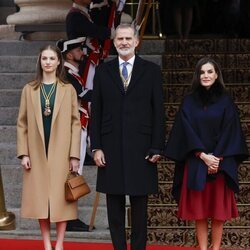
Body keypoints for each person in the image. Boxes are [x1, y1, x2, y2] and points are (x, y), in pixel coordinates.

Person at [90, 23, 165, 250]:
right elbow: (97, 112)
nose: (124, 42)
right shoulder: (103, 71)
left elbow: (158, 112)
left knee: (140, 206)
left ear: (136, 41)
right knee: (114, 207)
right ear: (114, 43)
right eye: (119, 39)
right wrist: (96, 147)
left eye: (127, 38)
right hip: (110, 148)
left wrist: (157, 147)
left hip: (142, 148)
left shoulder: (151, 71)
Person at [164, 57, 248, 250]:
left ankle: (216, 248)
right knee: (199, 212)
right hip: (196, 161)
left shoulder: (226, 101)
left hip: (221, 162)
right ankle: (203, 248)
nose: (206, 75)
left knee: (219, 212)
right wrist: (202, 155)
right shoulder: (189, 101)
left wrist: (216, 159)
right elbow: (185, 130)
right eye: (202, 72)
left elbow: (231, 131)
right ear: (197, 75)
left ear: (217, 75)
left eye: (210, 72)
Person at [17, 45, 81, 250]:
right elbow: (22, 123)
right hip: (36, 152)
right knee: (41, 199)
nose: (48, 62)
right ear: (40, 61)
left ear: (59, 62)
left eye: (52, 58)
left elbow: (75, 123)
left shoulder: (67, 89)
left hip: (62, 152)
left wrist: (74, 155)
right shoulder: (29, 89)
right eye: (44, 58)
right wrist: (23, 153)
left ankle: (60, 243)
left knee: (62, 199)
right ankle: (46, 243)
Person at [56, 37, 93, 232]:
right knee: (72, 173)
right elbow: (83, 95)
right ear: (69, 54)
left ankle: (70, 217)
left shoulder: (73, 73)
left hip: (78, 126)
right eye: (79, 50)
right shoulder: (66, 75)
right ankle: (69, 218)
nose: (83, 52)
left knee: (74, 172)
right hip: (72, 129)